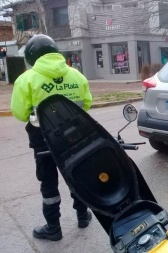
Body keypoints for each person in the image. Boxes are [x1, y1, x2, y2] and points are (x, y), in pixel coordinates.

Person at [10, 34, 93, 241]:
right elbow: (87, 104)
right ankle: (83, 216)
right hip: (75, 136)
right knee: (77, 174)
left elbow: (20, 113)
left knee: (48, 182)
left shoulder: (27, 79)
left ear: (31, 56)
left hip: (44, 140)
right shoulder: (77, 75)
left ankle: (53, 227)